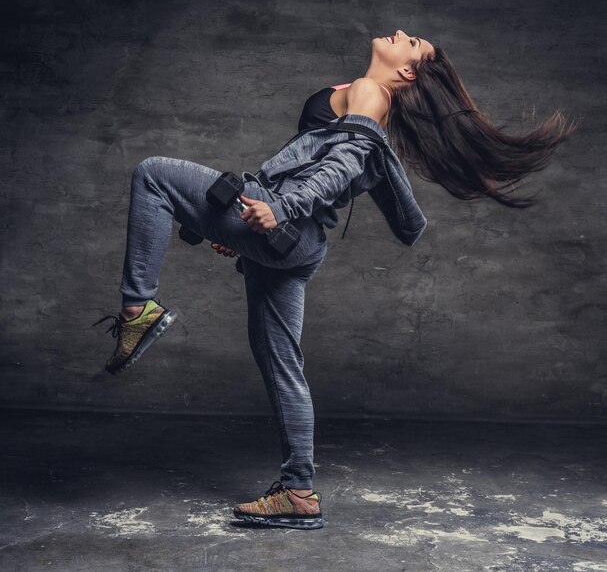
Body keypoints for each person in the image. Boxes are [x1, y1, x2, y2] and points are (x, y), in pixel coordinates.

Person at [93, 29, 577, 530]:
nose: (404, 34)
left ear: (407, 71)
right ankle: (298, 494)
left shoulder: (371, 95)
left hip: (289, 228)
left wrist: (278, 210)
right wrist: (245, 229)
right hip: (294, 246)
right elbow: (315, 162)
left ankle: (138, 309)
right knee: (282, 364)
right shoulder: (367, 93)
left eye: (413, 44)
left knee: (153, 174)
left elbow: (342, 168)